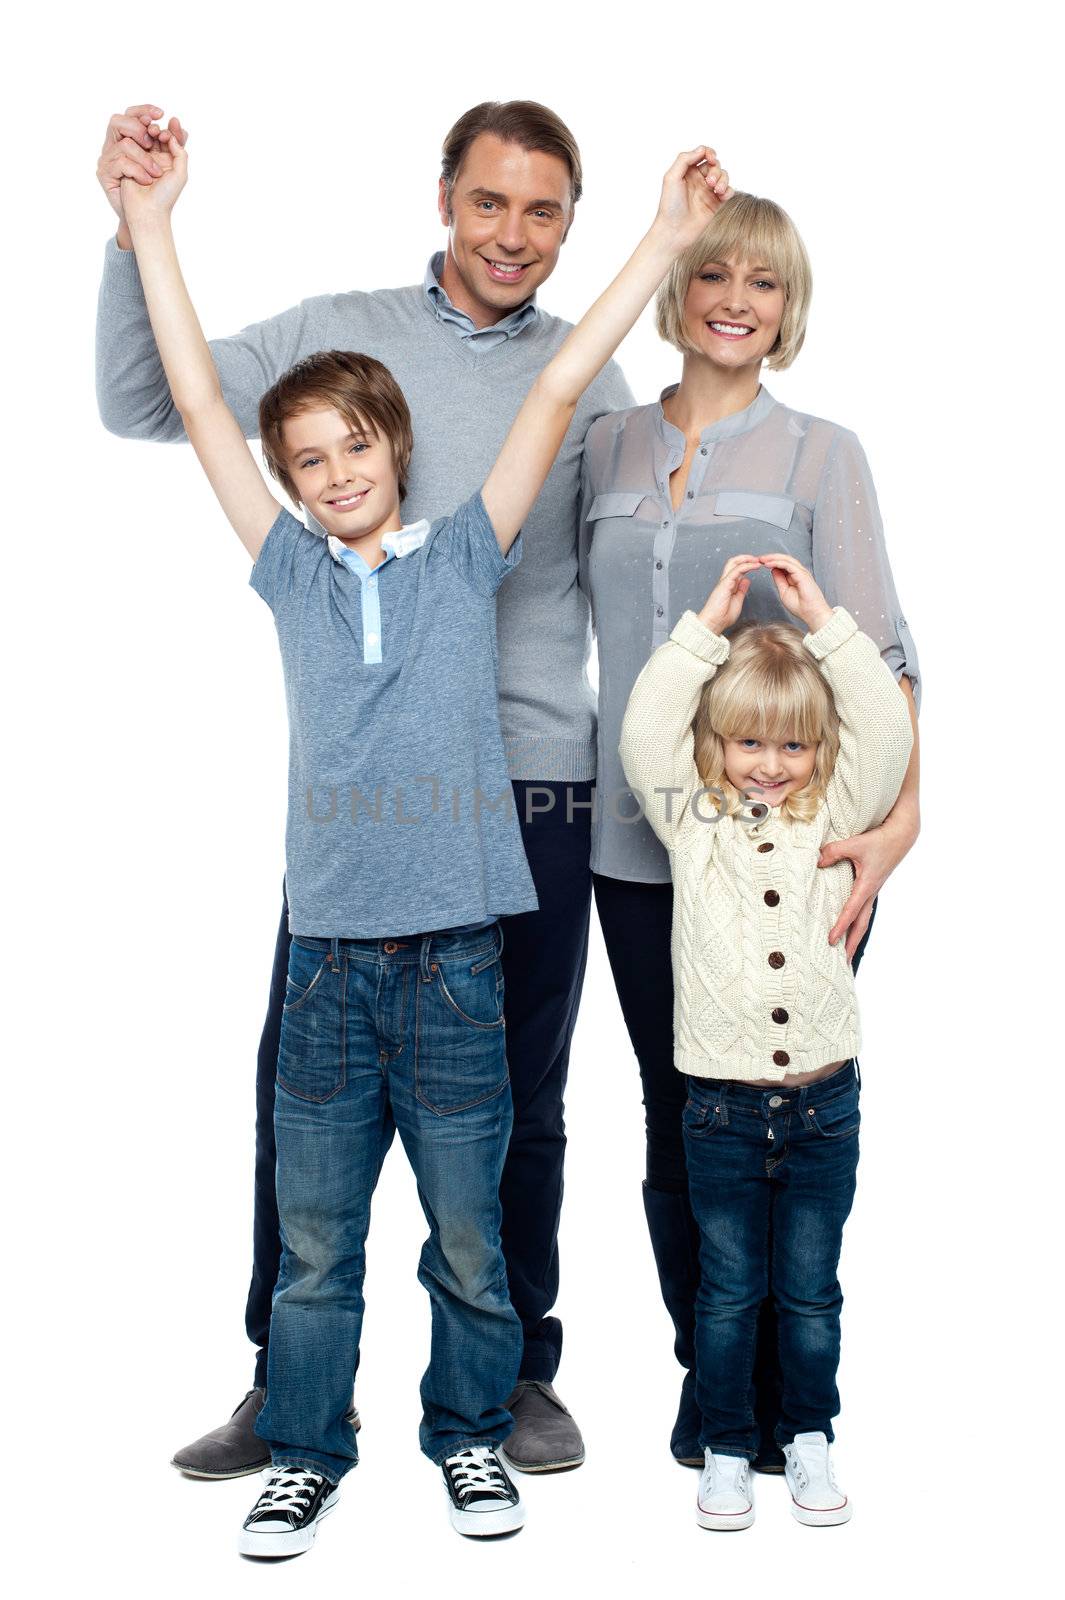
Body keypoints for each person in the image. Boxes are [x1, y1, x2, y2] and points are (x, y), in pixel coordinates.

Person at [118, 122, 733, 1551]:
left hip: (460, 944)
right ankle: (301, 1430)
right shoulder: (289, 578)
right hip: (332, 952)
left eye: (357, 448)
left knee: (474, 1216)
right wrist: (151, 225)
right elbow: (205, 411)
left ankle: (477, 1424)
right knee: (316, 1222)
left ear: (401, 449)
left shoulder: (464, 555)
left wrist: (657, 234)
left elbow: (564, 379)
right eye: (307, 459)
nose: (333, 474)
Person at [578, 191, 921, 1466]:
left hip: (800, 849)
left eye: (764, 281)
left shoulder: (826, 453)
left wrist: (905, 822)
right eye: (713, 270)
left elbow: (884, 656)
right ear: (678, 288)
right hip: (634, 848)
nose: (736, 296)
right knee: (681, 1120)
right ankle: (713, 1378)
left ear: (789, 306)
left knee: (791, 1118)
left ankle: (796, 1394)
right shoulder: (604, 444)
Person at [619, 550, 913, 1527]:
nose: (769, 763)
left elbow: (884, 724)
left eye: (791, 746)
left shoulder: (840, 811)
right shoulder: (692, 819)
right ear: (718, 744)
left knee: (811, 1291)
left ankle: (810, 1434)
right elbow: (646, 727)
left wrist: (827, 619)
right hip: (721, 1107)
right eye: (747, 742)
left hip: (826, 1104)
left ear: (817, 751)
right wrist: (705, 625)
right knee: (730, 1291)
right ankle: (728, 1443)